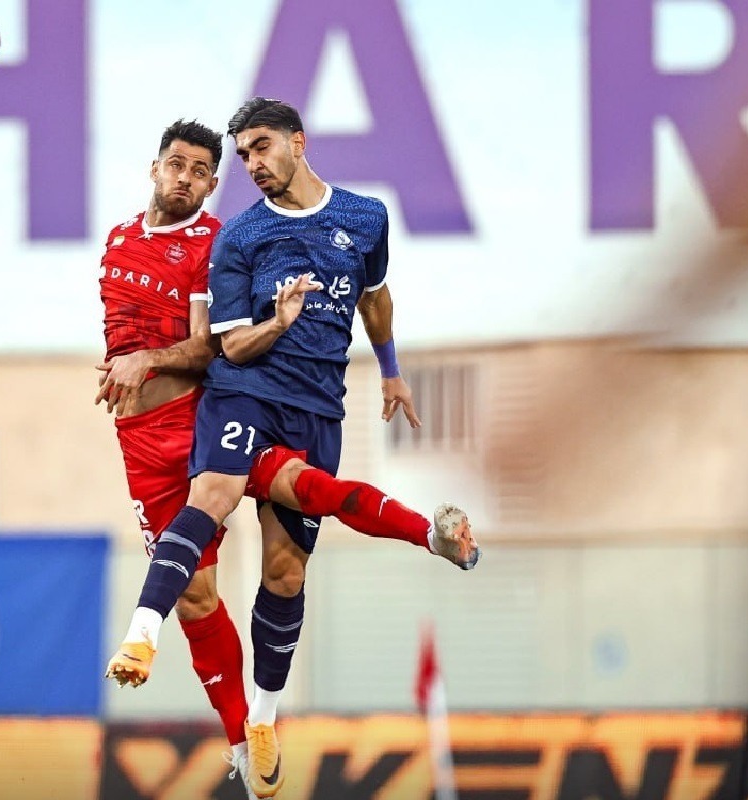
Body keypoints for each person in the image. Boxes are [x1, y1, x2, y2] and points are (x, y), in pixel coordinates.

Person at [103, 99, 479, 799]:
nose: (253, 164)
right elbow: (231, 348)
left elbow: (374, 298)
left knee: (284, 571)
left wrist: (390, 369)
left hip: (312, 409)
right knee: (209, 518)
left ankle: (263, 720)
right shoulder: (232, 237)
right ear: (154, 169)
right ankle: (143, 637)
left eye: (259, 149)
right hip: (240, 398)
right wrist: (274, 325)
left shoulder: (362, 217)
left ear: (297, 142)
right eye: (243, 154)